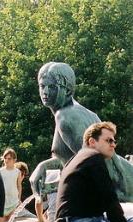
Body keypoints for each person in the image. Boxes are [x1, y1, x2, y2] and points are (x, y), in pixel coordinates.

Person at [31, 62, 133, 202]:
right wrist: (44, 166)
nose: (46, 92)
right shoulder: (77, 111)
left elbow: (94, 165)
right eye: (42, 86)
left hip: (123, 187)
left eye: (53, 87)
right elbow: (74, 157)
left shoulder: (65, 117)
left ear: (67, 90)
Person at [0, 148, 21, 221]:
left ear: (14, 160)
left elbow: (19, 186)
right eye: (5, 158)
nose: (7, 160)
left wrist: (19, 199)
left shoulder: (17, 172)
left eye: (9, 158)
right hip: (2, 202)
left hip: (14, 201)